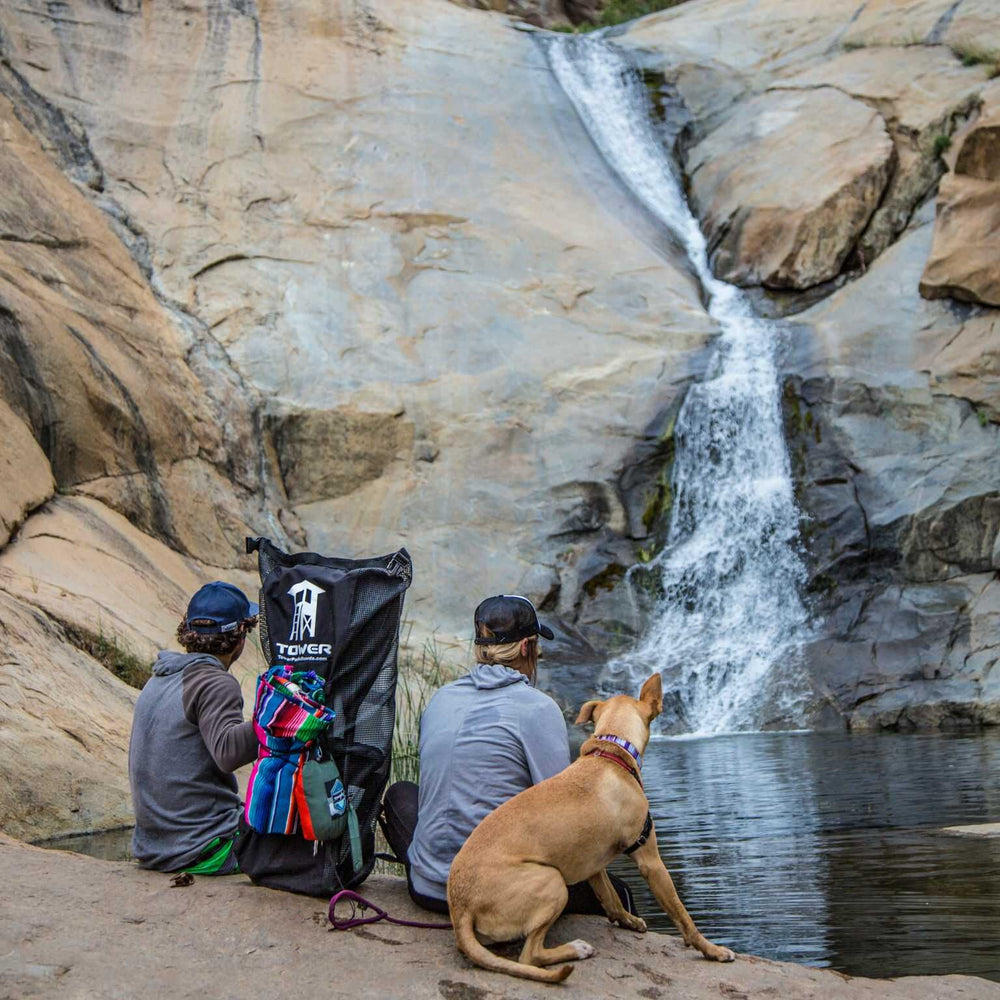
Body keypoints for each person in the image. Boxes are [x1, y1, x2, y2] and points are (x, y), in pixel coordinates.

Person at [381, 594, 636, 916]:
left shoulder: (441, 699)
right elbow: (565, 811)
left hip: (428, 889)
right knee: (621, 894)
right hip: (495, 898)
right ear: (528, 647)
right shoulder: (537, 708)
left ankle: (434, 870)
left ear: (480, 649)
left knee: (401, 793)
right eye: (538, 650)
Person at [128, 581, 260, 874]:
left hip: (154, 849)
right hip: (205, 849)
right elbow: (228, 753)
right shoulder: (215, 683)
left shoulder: (160, 678)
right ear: (240, 639)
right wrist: (276, 720)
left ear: (187, 634)